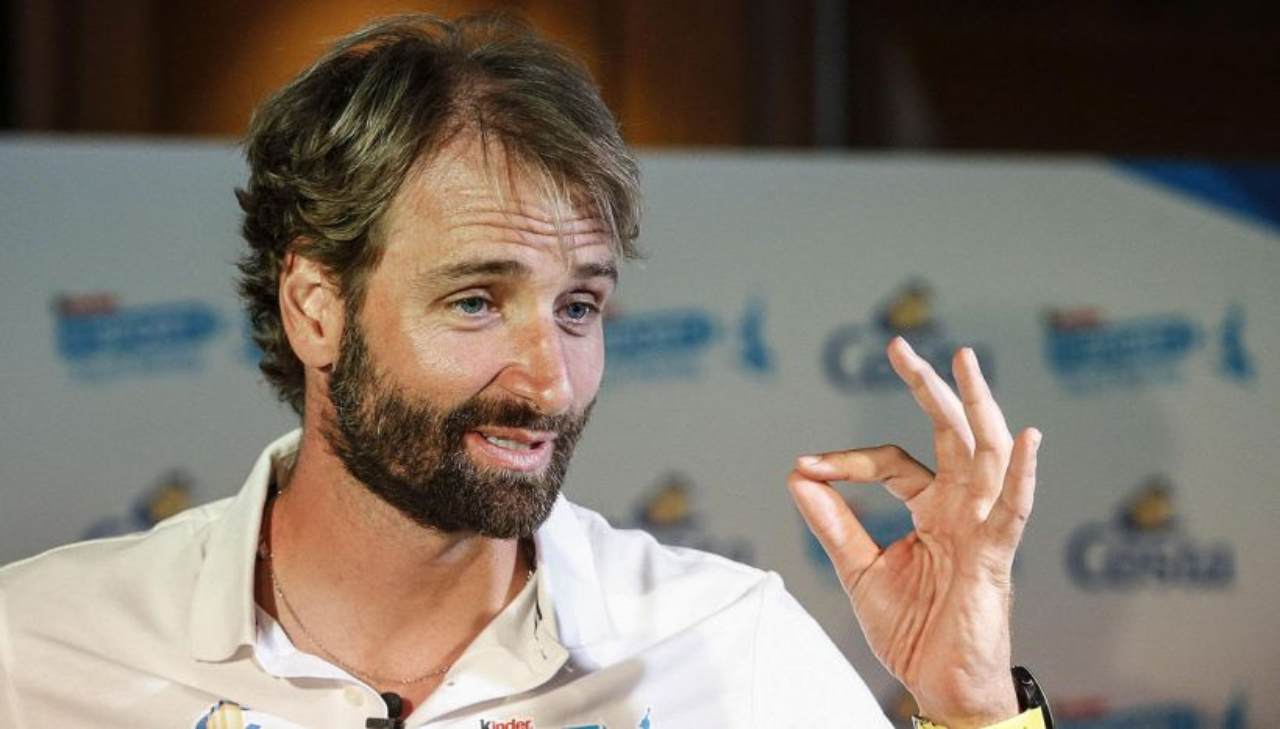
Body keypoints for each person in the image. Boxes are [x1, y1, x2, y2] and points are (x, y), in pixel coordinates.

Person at [0, 14, 1047, 729]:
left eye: (577, 307)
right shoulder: (35, 649)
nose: (549, 383)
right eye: (474, 301)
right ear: (315, 306)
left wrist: (971, 708)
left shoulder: (726, 646)